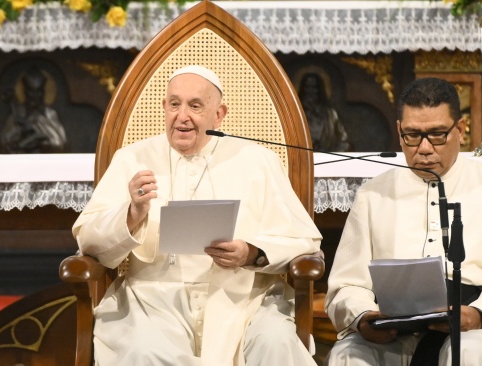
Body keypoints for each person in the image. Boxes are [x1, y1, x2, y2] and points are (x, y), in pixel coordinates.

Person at [72, 65, 322, 365]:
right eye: (175, 104)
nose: (182, 116)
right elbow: (88, 239)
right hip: (151, 301)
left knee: (275, 342)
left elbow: (304, 241)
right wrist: (132, 213)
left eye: (195, 106)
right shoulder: (132, 159)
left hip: (244, 298)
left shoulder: (258, 161)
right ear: (164, 107)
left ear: (219, 114)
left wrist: (251, 253)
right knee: (142, 351)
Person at [324, 77, 482, 365]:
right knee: (347, 356)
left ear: (460, 130)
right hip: (392, 325)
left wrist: (478, 314)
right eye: (412, 135)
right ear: (399, 131)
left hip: (470, 320)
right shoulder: (373, 194)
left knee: (469, 353)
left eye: (437, 134)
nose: (424, 148)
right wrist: (364, 317)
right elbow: (347, 283)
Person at [0, 65, 67, 153]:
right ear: (25, 93)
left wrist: (42, 140)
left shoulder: (50, 114)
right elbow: (4, 143)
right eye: (31, 92)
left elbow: (59, 143)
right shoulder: (17, 114)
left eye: (39, 92)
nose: (35, 97)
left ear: (43, 92)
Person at [298, 72, 350, 152]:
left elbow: (344, 142)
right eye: (307, 87)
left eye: (314, 87)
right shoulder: (294, 116)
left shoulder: (331, 115)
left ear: (319, 90)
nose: (310, 91)